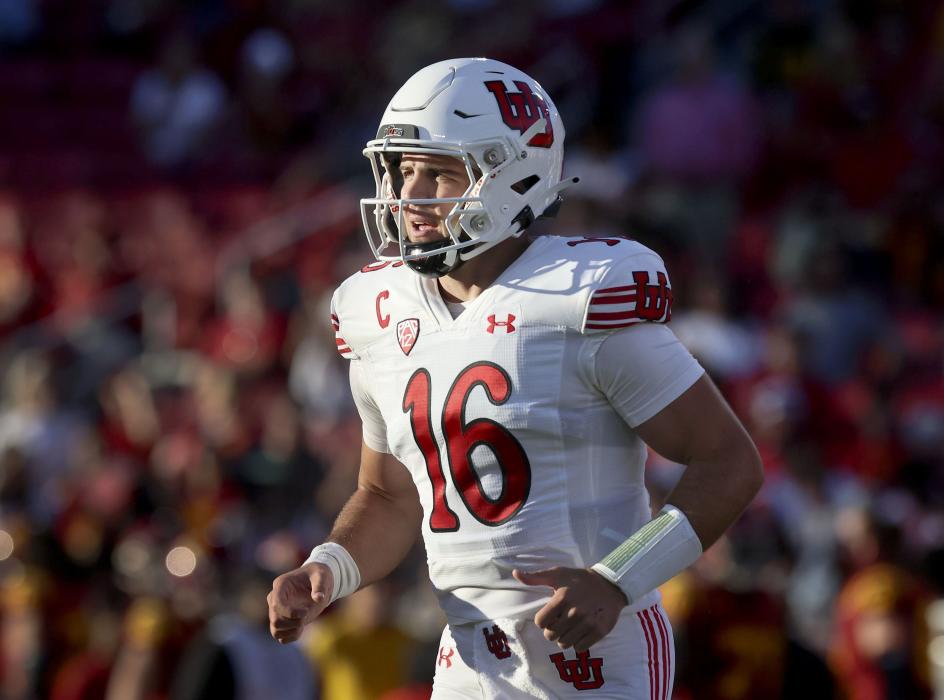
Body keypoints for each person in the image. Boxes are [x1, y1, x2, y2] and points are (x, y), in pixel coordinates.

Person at [268, 57, 763, 698]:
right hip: (468, 660)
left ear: (512, 174)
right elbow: (390, 495)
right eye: (401, 169)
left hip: (597, 661)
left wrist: (619, 579)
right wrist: (327, 569)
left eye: (440, 172)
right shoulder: (379, 314)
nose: (410, 195)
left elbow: (729, 462)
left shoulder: (577, 300)